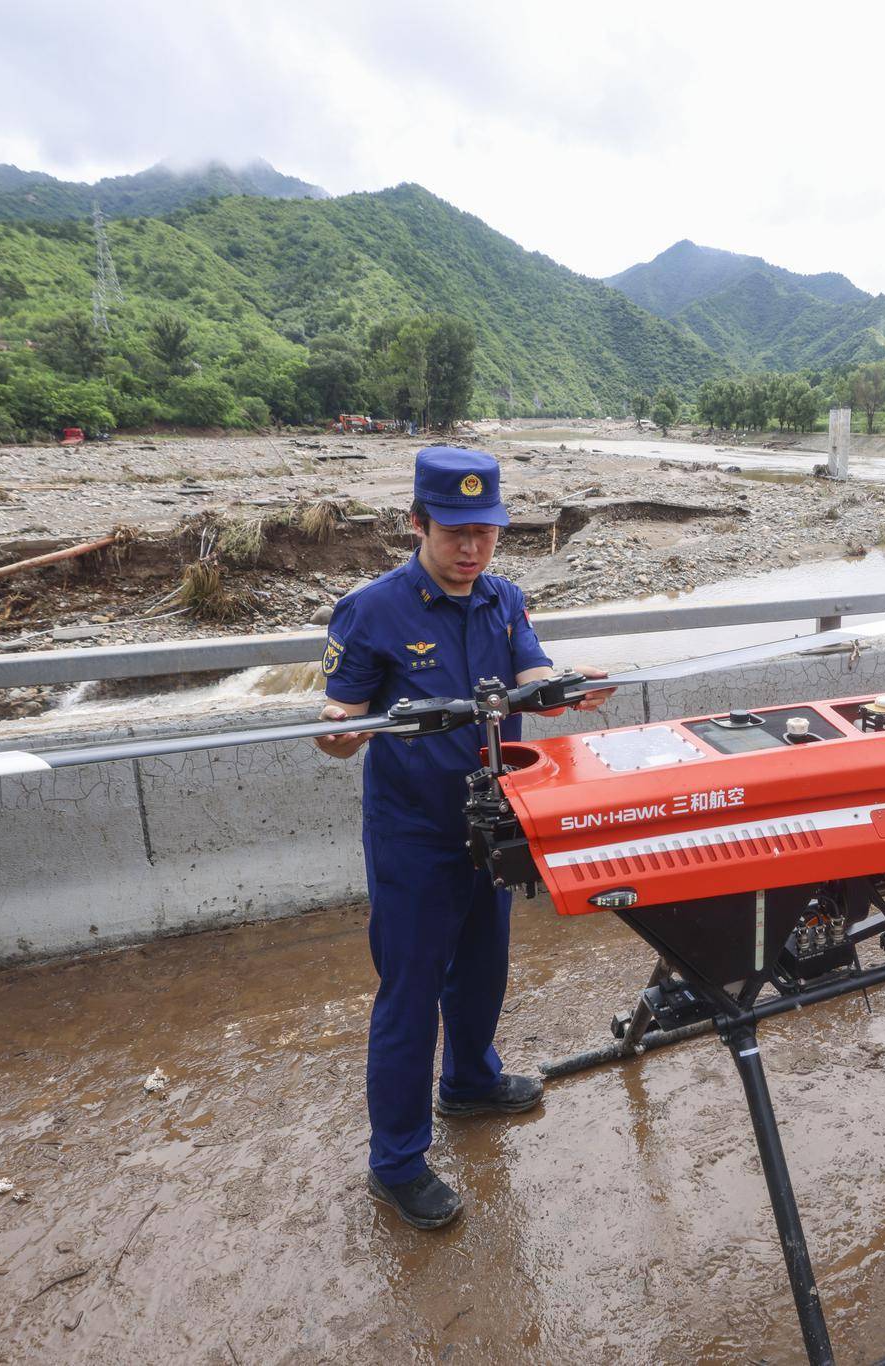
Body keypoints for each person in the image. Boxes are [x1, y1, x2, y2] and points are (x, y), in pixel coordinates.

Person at [315, 445, 611, 1229]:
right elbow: (339, 722)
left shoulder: (503, 598)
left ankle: (471, 1083)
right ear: (417, 523)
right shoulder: (373, 609)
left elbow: (531, 671)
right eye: (454, 532)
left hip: (494, 819)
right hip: (413, 833)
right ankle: (398, 1162)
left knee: (482, 968)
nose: (472, 549)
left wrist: (560, 692)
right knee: (410, 994)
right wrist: (341, 732)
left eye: (486, 531)